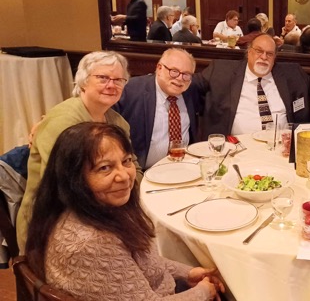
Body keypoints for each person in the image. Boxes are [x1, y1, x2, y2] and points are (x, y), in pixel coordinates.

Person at [25, 122, 224, 301]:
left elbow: (142, 262)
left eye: (126, 161)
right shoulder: (93, 243)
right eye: (104, 168)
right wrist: (203, 292)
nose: (124, 176)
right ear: (74, 178)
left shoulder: (104, 208)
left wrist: (188, 273)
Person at [16, 51, 143, 252]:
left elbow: (134, 167)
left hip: (100, 210)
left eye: (118, 80)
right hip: (55, 224)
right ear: (83, 81)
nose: (111, 85)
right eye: (102, 78)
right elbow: (66, 186)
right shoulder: (64, 122)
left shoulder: (117, 122)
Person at [191, 34, 310, 136]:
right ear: (249, 52)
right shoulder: (221, 71)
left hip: (281, 149)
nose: (264, 57)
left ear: (275, 57)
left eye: (269, 54)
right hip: (236, 149)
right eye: (259, 51)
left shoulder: (291, 74)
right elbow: (190, 83)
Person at [113, 48, 201, 169]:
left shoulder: (191, 91)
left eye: (186, 74)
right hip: (142, 172)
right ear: (159, 68)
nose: (180, 78)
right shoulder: (130, 90)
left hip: (182, 168)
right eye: (174, 71)